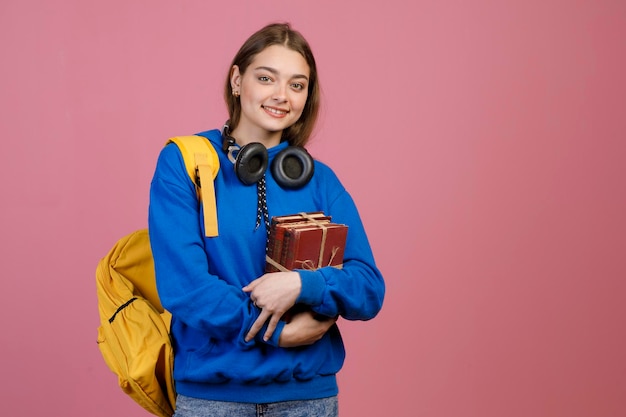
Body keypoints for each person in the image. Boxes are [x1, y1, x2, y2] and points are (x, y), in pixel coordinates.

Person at [149, 22, 385, 417]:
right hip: (213, 400)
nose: (281, 96)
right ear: (237, 80)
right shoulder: (184, 163)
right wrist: (278, 331)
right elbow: (185, 288)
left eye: (297, 85)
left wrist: (301, 284)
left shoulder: (321, 180)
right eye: (266, 78)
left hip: (308, 399)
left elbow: (368, 287)